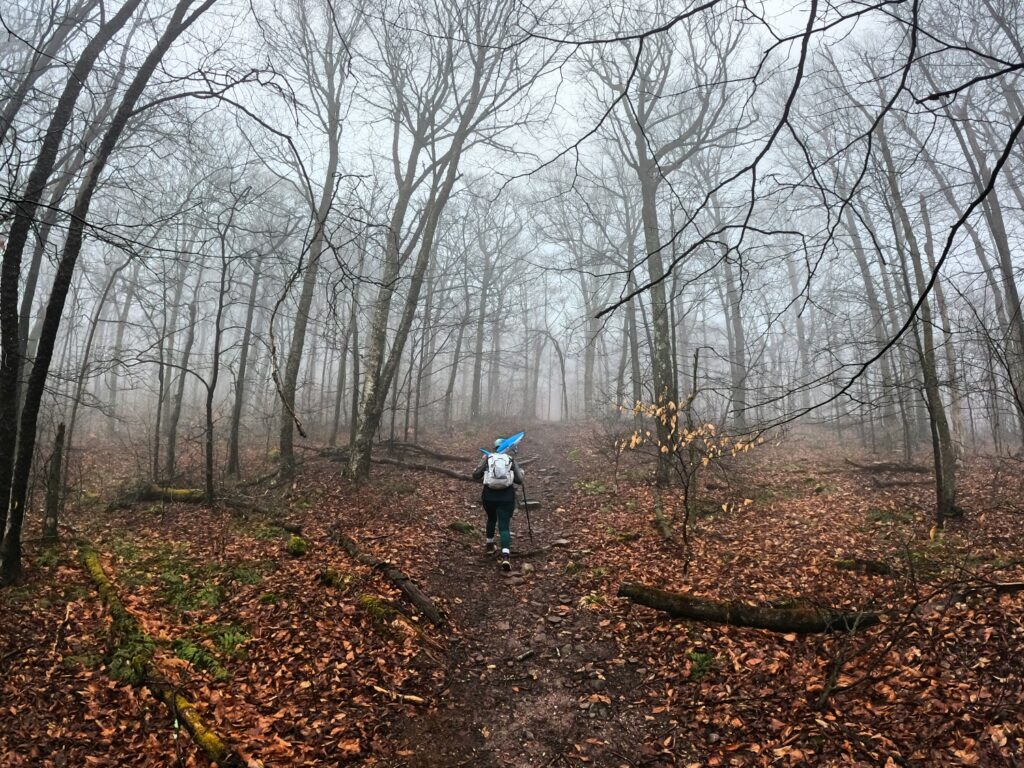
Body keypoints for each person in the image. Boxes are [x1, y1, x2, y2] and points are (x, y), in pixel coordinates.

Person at [472, 438, 525, 571]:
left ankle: (489, 546)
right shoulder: (510, 459)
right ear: (506, 447)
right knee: (504, 526)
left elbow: (476, 475)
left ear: (495, 447)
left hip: (489, 496)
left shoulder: (488, 458)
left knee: (491, 518)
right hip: (506, 497)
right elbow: (519, 480)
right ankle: (506, 556)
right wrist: (521, 473)